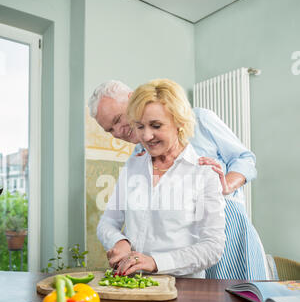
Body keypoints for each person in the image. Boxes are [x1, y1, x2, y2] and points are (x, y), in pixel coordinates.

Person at [89, 80, 269, 280]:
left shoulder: (200, 120)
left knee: (237, 294)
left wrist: (225, 186)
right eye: (110, 130)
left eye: (118, 120)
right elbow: (119, 221)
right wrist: (122, 242)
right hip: (175, 255)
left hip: (227, 220)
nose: (119, 131)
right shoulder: (137, 158)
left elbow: (245, 159)